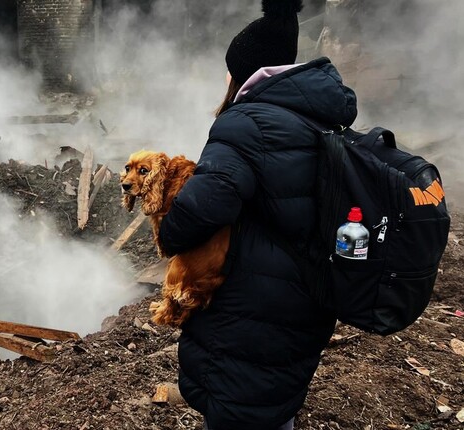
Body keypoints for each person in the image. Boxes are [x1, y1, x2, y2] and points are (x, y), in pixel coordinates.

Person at [157, 0, 357, 429]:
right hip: (305, 303)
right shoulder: (321, 119)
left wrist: (167, 230)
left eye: (230, 68)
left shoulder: (245, 124)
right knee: (274, 402)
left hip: (250, 312)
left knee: (238, 406)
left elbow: (201, 209)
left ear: (244, 72)